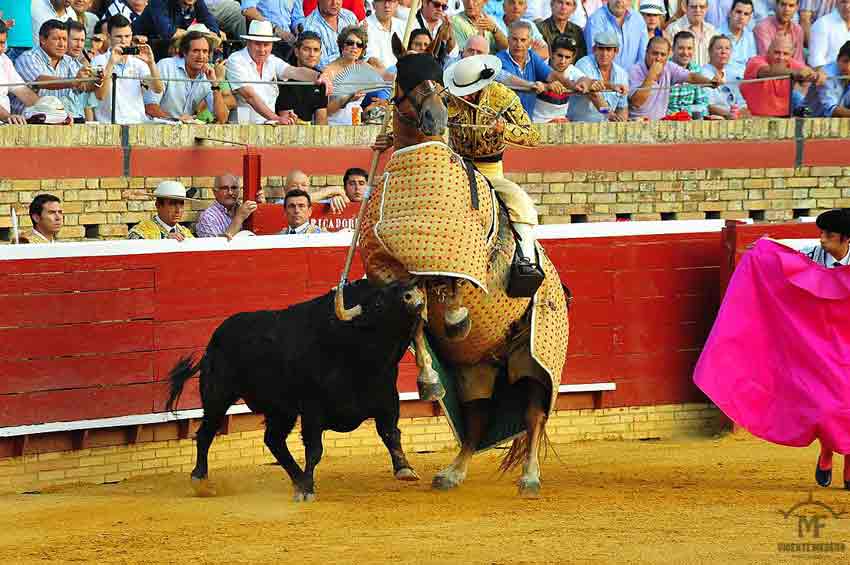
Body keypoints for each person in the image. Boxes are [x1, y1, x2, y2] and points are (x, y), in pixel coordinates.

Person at [443, 55, 544, 278]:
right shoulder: (448, 97)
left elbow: (534, 136)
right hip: (457, 169)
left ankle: (526, 259)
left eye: (468, 91)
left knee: (520, 203)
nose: (464, 96)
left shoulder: (503, 96)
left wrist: (503, 129)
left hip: (491, 172)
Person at [802, 209, 850, 490]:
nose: (821, 240)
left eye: (828, 236)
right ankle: (827, 451)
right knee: (824, 404)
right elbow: (783, 255)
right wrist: (764, 247)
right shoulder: (811, 254)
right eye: (821, 233)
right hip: (820, 340)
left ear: (846, 239)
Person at [226, 20, 326, 124]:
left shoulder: (272, 60)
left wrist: (320, 76)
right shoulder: (236, 59)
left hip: (268, 128)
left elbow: (294, 71)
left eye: (266, 45)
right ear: (248, 43)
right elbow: (249, 96)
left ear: (272, 45)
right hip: (241, 128)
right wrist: (276, 118)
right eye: (258, 44)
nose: (262, 50)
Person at [496, 20, 593, 116]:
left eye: (523, 40)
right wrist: (538, 85)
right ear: (508, 39)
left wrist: (573, 85)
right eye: (514, 39)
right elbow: (510, 80)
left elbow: (552, 75)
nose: (518, 44)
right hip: (505, 121)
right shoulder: (499, 59)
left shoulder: (532, 56)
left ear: (530, 42)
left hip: (527, 120)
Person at [12, 19, 96, 121]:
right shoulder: (28, 58)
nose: (62, 44)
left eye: (64, 39)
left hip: (59, 121)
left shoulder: (69, 61)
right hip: (27, 123)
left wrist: (96, 80)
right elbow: (40, 81)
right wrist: (73, 81)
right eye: (56, 39)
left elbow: (83, 86)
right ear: (42, 39)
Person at [144, 30, 229, 123]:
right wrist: (176, 121)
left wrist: (215, 84)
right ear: (184, 52)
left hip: (185, 131)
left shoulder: (208, 74)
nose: (201, 56)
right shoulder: (166, 66)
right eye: (196, 51)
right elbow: (150, 107)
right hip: (156, 129)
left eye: (205, 51)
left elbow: (222, 118)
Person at [91, 14, 163, 124]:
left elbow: (157, 89)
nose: (123, 41)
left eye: (127, 36)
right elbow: (100, 95)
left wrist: (151, 63)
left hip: (136, 123)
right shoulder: (98, 61)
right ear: (109, 37)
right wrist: (111, 63)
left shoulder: (139, 63)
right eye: (118, 36)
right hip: (108, 125)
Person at [628, 35, 721, 120]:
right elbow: (636, 102)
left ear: (668, 55)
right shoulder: (634, 71)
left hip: (660, 124)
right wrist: (651, 76)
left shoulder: (669, 66)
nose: (658, 58)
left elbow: (691, 77)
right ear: (646, 52)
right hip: (636, 124)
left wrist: (710, 82)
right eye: (655, 53)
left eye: (663, 54)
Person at [319, 26, 391, 125]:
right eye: (350, 43)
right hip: (334, 126)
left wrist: (384, 101)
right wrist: (347, 98)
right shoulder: (329, 71)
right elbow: (324, 111)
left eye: (359, 44)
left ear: (362, 49)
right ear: (341, 45)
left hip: (356, 124)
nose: (354, 47)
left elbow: (390, 81)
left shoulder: (364, 67)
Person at [740, 35, 826, 116]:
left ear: (791, 54)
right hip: (752, 118)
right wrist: (797, 73)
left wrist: (818, 74)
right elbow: (767, 72)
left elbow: (807, 72)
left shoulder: (792, 63)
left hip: (784, 120)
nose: (781, 57)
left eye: (785, 54)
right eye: (777, 52)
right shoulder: (755, 61)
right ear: (768, 51)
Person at [569, 31, 630, 122]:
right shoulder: (584, 64)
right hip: (579, 125)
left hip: (607, 128)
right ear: (594, 49)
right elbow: (593, 95)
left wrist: (622, 125)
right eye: (601, 49)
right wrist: (609, 114)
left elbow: (622, 107)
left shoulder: (622, 74)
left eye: (608, 49)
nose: (604, 54)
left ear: (616, 51)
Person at [275, 30, 328, 124]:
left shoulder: (321, 78)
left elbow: (322, 119)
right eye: (306, 49)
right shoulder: (285, 76)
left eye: (316, 50)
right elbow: (285, 116)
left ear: (320, 54)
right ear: (296, 52)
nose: (311, 54)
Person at [195, 173, 266, 238]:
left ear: (240, 190)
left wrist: (262, 210)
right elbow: (217, 249)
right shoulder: (208, 217)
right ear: (215, 192)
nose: (230, 192)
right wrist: (239, 218)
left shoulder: (245, 209)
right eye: (224, 188)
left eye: (234, 188)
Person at [583, 0, 649, 70]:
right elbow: (594, 59)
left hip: (633, 78)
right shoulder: (595, 20)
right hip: (604, 79)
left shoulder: (638, 19)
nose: (619, 1)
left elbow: (643, 57)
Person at [531, 34, 579, 122]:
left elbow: (587, 82)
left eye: (567, 57)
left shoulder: (573, 71)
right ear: (552, 54)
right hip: (537, 123)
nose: (563, 61)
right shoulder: (539, 66)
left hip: (562, 124)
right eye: (560, 56)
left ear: (573, 58)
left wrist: (605, 112)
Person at [0, 21, 41, 124]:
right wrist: (7, 116)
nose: (1, 48)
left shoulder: (4, 60)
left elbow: (24, 92)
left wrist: (52, 112)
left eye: (2, 43)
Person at [128, 180, 197, 240]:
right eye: (172, 204)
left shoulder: (185, 233)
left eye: (181, 204)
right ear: (158, 205)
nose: (178, 210)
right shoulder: (141, 230)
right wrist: (163, 241)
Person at [702, 34, 750, 118]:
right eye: (719, 48)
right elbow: (709, 106)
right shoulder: (703, 73)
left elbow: (742, 103)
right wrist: (729, 115)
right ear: (710, 51)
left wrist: (740, 112)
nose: (723, 52)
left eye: (727, 48)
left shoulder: (734, 74)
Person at [303, 0, 359, 69]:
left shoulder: (349, 16)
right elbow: (322, 65)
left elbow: (364, 48)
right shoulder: (310, 27)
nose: (335, 3)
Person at [131, 0, 222, 42]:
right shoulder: (159, 1)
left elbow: (214, 30)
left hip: (169, 45)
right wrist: (203, 34)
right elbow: (169, 33)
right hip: (140, 41)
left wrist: (211, 34)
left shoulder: (197, 2)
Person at [666, 31, 709, 117]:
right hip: (665, 121)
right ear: (673, 49)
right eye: (681, 48)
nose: (685, 53)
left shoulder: (696, 70)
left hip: (690, 120)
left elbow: (701, 103)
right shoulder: (665, 68)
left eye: (689, 48)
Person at [664, 0, 719, 67]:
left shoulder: (712, 31)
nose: (698, 10)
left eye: (702, 7)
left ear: (706, 8)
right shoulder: (673, 29)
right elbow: (668, 60)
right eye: (693, 7)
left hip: (707, 76)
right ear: (685, 7)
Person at [805, 39, 850, 117]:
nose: (848, 67)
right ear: (838, 59)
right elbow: (831, 110)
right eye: (845, 61)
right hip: (806, 114)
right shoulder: (826, 74)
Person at [753, 0, 805, 65]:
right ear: (776, 5)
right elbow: (769, 59)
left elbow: (799, 60)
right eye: (783, 4)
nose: (786, 9)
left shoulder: (798, 29)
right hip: (770, 72)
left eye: (791, 6)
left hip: (793, 71)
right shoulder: (762, 28)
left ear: (796, 8)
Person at [809, 0, 850, 69]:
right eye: (843, 2)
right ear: (836, 2)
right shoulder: (823, 24)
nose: (847, 6)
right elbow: (816, 60)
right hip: (830, 77)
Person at [365, 0, 405, 69]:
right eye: (382, 1)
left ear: (397, 4)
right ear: (374, 5)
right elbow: (371, 61)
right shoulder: (365, 27)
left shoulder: (403, 26)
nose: (386, 5)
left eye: (391, 1)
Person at [718, 0, 756, 68]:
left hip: (747, 77)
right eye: (738, 12)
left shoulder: (750, 36)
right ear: (730, 13)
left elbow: (753, 63)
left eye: (746, 14)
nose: (741, 17)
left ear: (749, 18)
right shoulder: (716, 34)